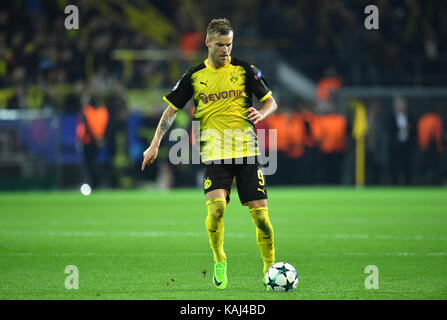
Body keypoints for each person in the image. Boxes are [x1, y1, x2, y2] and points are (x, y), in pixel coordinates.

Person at [141, 18, 278, 290]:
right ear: (207, 43)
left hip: (247, 151)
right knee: (216, 211)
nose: (225, 50)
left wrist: (261, 114)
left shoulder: (244, 70)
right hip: (214, 154)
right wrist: (155, 143)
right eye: (220, 44)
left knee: (262, 218)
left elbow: (271, 101)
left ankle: (269, 267)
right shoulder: (194, 77)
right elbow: (170, 112)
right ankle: (219, 258)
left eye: (229, 44)